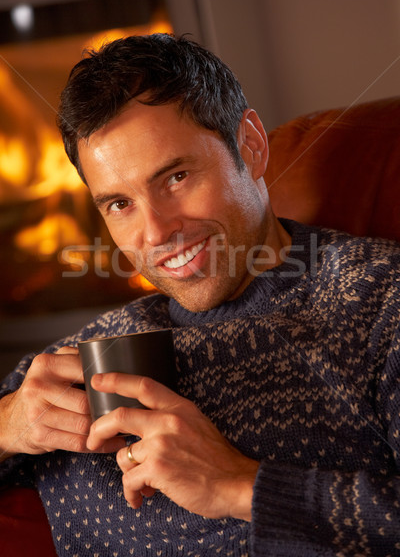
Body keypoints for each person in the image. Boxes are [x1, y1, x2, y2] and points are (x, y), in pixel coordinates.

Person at [0, 33, 399, 557]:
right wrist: (7, 424)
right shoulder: (88, 353)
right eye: (120, 204)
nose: (156, 230)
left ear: (251, 145)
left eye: (177, 176)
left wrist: (239, 486)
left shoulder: (379, 299)